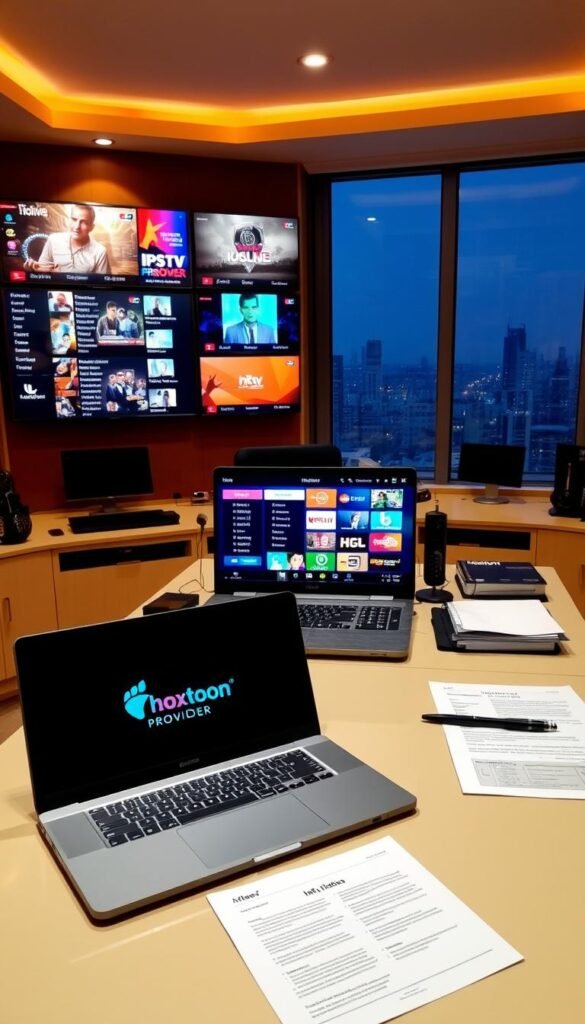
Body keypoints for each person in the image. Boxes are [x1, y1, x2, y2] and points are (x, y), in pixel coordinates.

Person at [24, 203, 110, 274]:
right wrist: (31, 270)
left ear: (92, 227)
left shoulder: (100, 251)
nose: (77, 226)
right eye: (74, 219)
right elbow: (41, 274)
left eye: (84, 222)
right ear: (69, 220)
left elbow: (103, 285)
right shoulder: (53, 240)